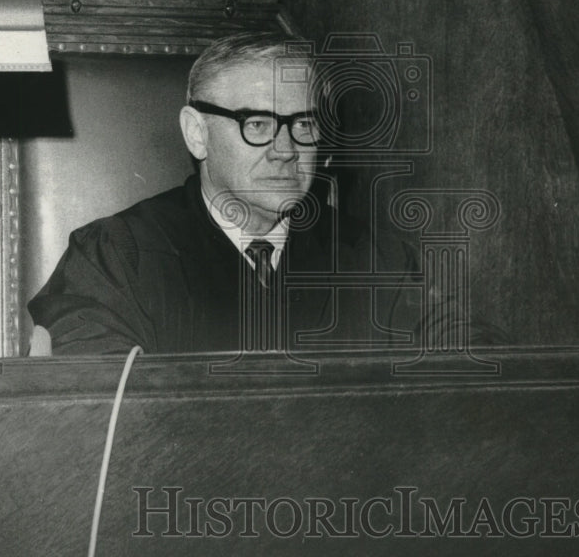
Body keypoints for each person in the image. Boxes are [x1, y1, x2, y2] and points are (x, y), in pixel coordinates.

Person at [28, 32, 370, 355]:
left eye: (304, 125)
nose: (286, 149)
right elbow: (95, 406)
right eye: (257, 124)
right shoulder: (116, 258)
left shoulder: (375, 258)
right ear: (197, 134)